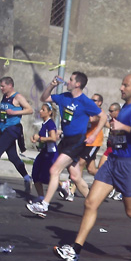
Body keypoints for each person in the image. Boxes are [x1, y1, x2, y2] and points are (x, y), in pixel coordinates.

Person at [53, 73, 131, 261]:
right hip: (113, 161)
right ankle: (75, 250)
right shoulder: (125, 107)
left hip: (129, 164)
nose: (121, 88)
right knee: (90, 203)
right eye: (122, 84)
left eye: (125, 85)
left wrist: (124, 127)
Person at [26, 72, 106, 217]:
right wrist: (51, 85)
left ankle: (44, 205)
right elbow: (44, 98)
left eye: (71, 79)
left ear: (77, 84)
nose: (67, 81)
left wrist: (93, 134)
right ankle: (92, 203)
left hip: (77, 141)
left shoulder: (85, 101)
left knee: (54, 170)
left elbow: (103, 116)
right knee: (75, 176)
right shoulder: (64, 97)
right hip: (65, 140)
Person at [59, 93, 106, 200]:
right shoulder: (88, 109)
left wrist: (79, 114)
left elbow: (92, 119)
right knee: (91, 169)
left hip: (93, 142)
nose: (92, 101)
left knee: (79, 164)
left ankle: (71, 190)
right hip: (84, 140)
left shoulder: (99, 112)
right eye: (91, 99)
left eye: (94, 100)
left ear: (100, 103)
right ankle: (109, 180)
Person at [30, 103, 59, 202]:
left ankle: (63, 185)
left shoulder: (50, 123)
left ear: (49, 112)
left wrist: (40, 138)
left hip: (51, 154)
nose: (40, 111)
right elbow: (42, 138)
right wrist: (36, 139)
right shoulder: (44, 123)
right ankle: (41, 197)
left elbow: (53, 138)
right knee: (35, 174)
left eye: (43, 110)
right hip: (43, 152)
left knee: (47, 177)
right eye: (41, 109)